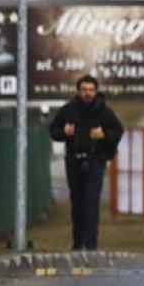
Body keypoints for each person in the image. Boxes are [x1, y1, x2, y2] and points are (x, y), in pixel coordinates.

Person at [48, 75, 123, 251]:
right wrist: (65, 132)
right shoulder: (69, 110)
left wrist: (103, 135)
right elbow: (53, 130)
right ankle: (77, 243)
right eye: (84, 90)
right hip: (74, 161)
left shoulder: (104, 111)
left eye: (90, 90)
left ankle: (91, 245)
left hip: (95, 161)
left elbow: (118, 131)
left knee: (91, 202)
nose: (87, 93)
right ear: (78, 91)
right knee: (77, 203)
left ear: (96, 91)